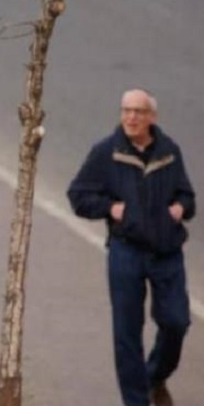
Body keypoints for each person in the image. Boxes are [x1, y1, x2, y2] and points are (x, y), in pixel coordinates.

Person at [67, 89, 196, 406]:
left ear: (152, 117)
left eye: (138, 111)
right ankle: (136, 401)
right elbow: (78, 195)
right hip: (127, 251)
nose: (131, 117)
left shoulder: (168, 151)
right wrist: (110, 208)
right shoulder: (106, 152)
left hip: (166, 252)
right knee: (127, 333)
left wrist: (180, 208)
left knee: (176, 322)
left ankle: (154, 376)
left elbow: (187, 196)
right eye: (126, 110)